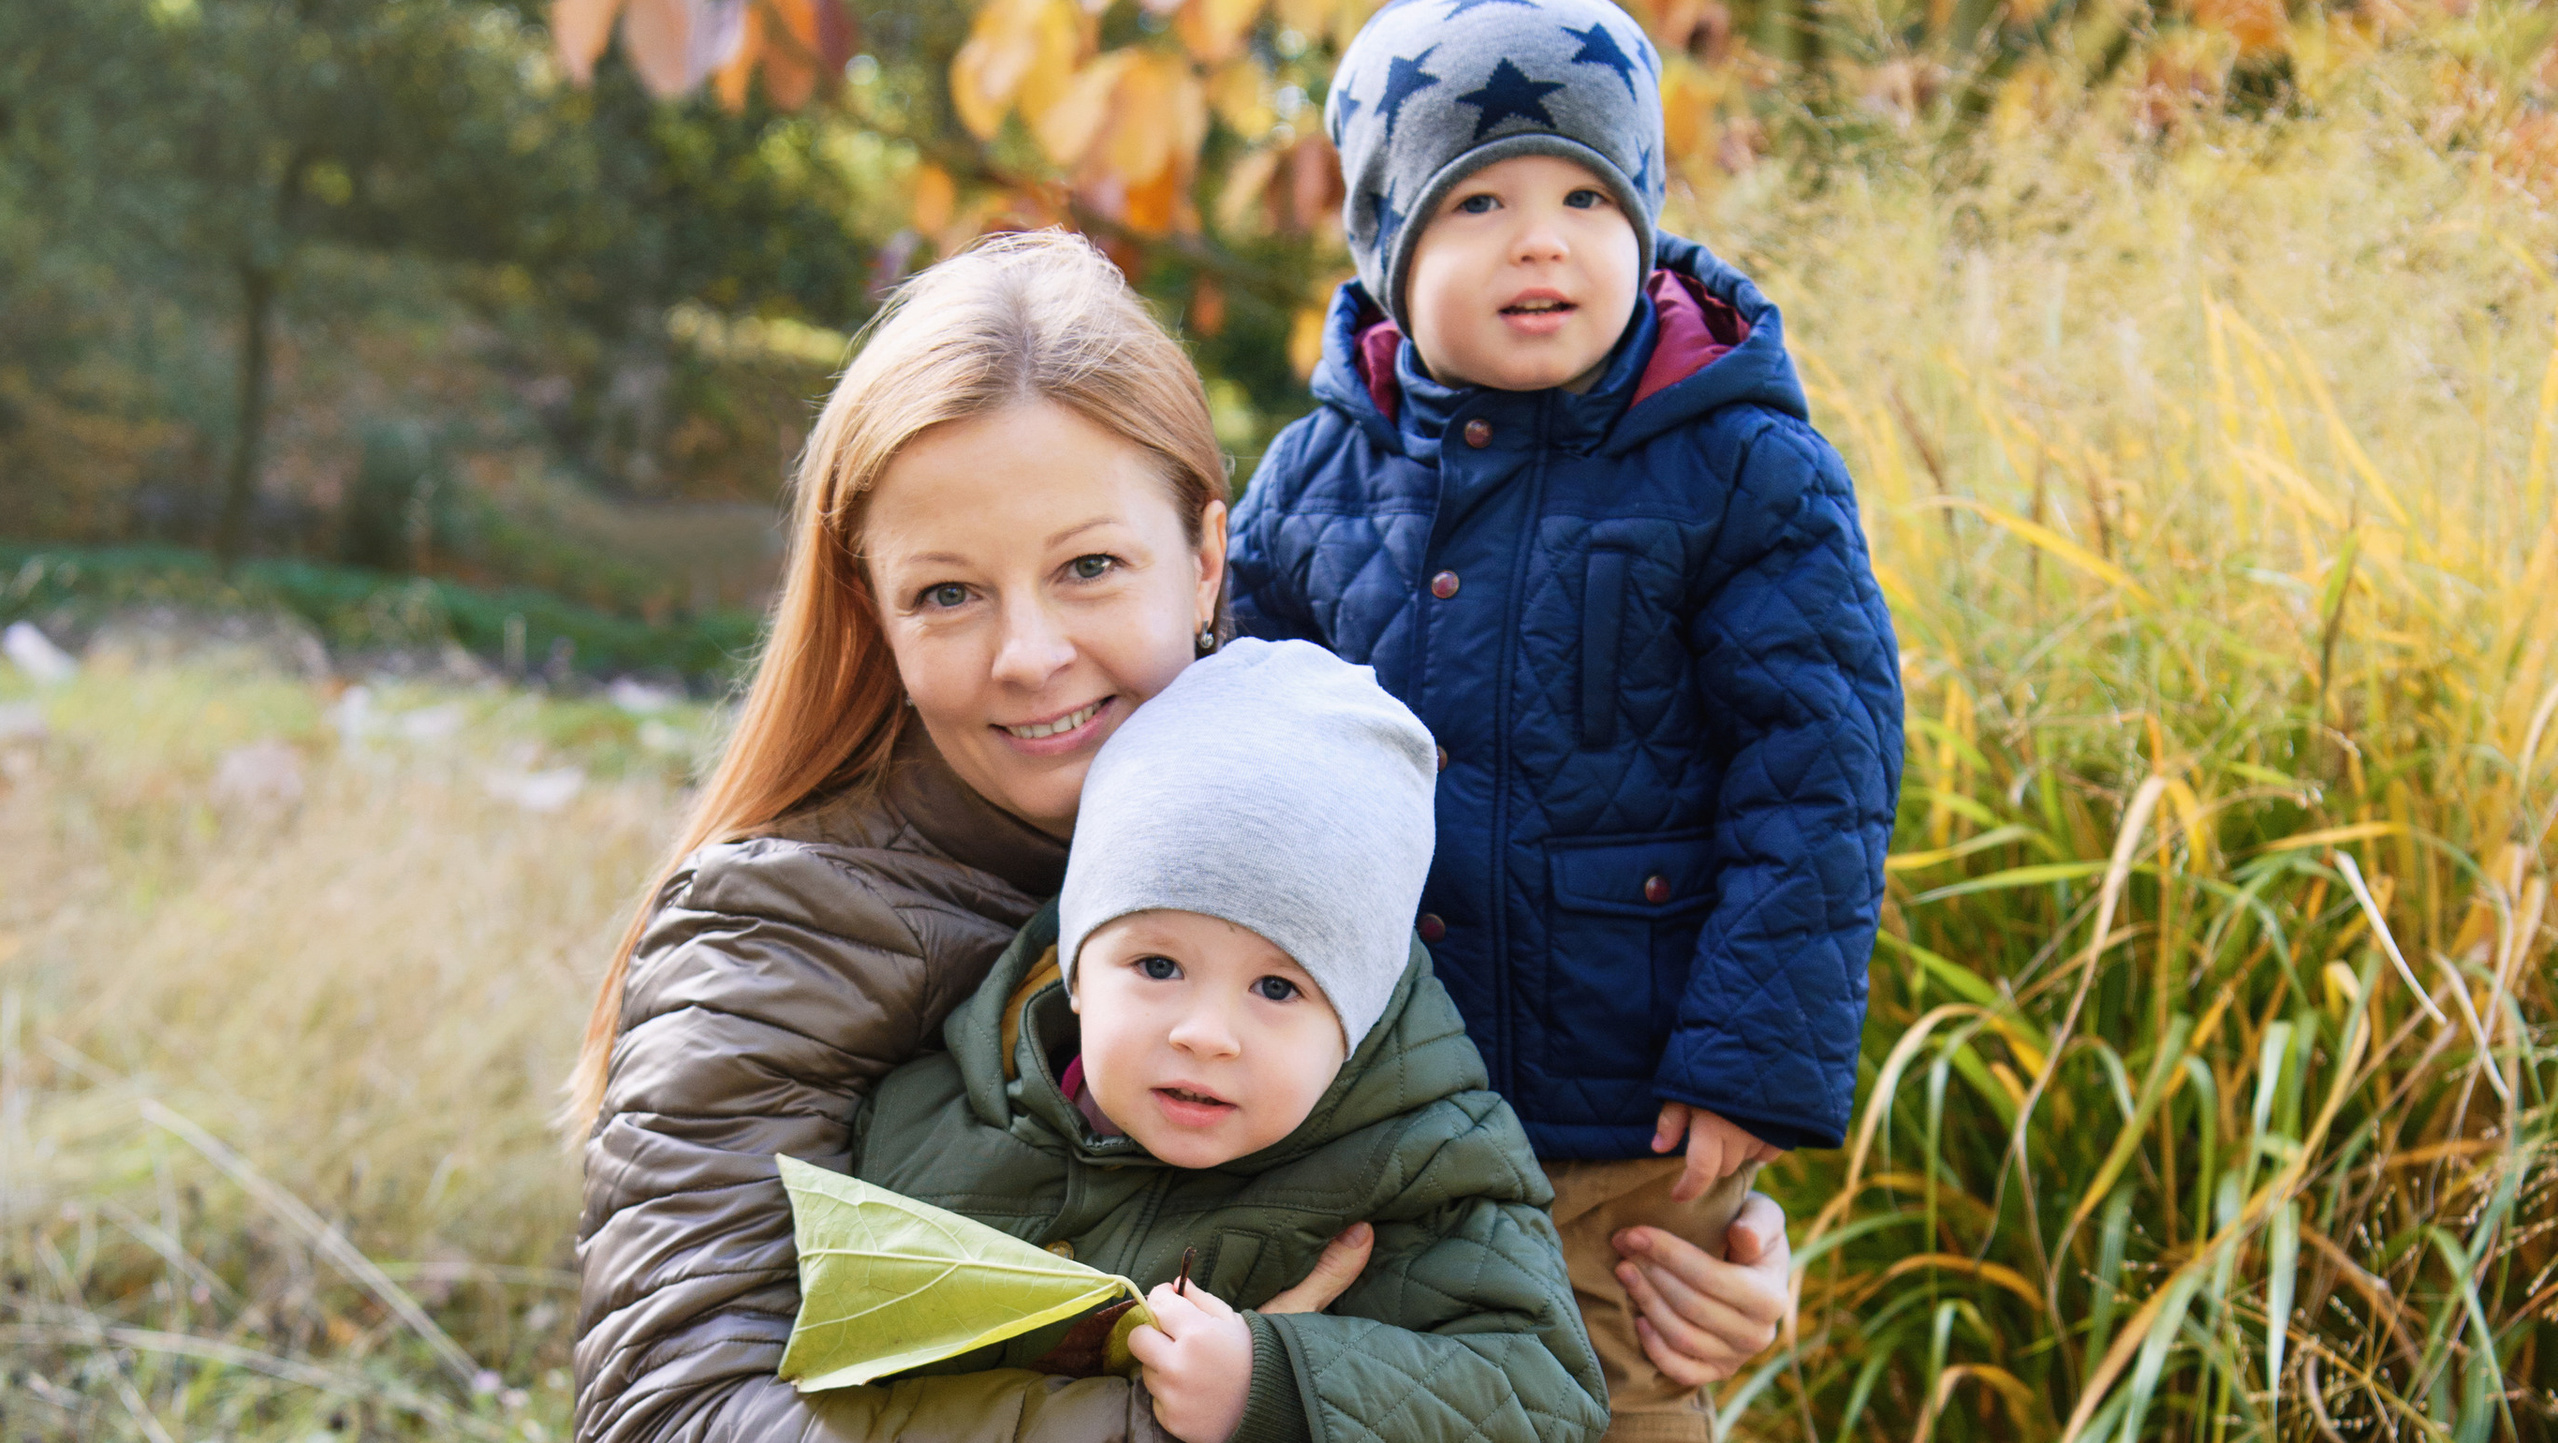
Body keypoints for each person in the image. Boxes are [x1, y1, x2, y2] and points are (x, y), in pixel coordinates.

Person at [571, 230, 1796, 1443]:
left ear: (1207, 559)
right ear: (871, 609)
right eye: (947, 592)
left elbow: (1492, 1177)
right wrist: (1188, 1416)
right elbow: (666, 1411)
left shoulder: (1331, 829)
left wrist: (1671, 1268)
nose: (1030, 656)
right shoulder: (781, 932)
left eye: (1090, 567)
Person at [1227, 5, 1906, 1438]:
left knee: (1620, 1384)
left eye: (1586, 197)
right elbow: (1243, 755)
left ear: (1644, 222)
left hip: (1627, 1107)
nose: (1540, 240)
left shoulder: (1739, 467)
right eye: (1478, 201)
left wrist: (1748, 1057)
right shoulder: (1312, 478)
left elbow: (1818, 775)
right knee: (1389, 1385)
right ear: (1384, 247)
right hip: (1375, 1096)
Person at [840, 638, 1606, 1443]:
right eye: (1157, 963)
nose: (1204, 1033)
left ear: (1359, 1013)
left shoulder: (1421, 1167)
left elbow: (1545, 1397)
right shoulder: (930, 1112)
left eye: (1278, 987)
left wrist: (1274, 1382)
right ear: (1075, 969)